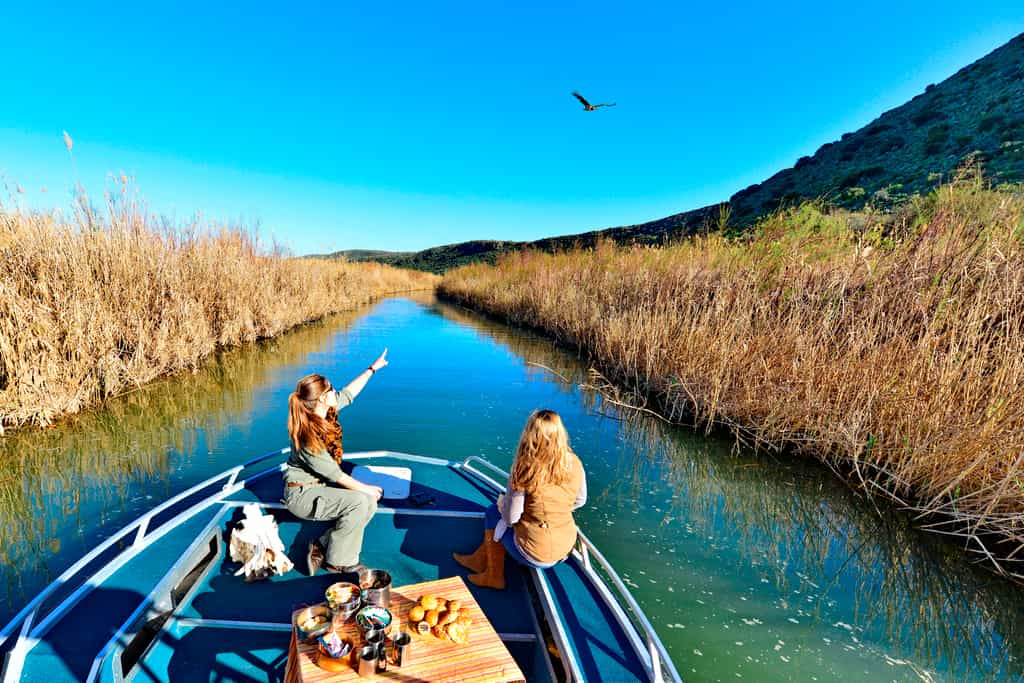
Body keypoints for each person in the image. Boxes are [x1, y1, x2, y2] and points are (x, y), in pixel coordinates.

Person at [453, 409, 587, 589]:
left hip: (536, 554)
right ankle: (478, 560)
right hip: (566, 546)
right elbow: (580, 500)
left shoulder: (525, 469)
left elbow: (511, 518)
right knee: (502, 514)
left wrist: (504, 506)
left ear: (530, 435)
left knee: (494, 513)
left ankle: (494, 577)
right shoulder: (574, 462)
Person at [284, 349, 389, 576]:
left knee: (368, 502)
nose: (335, 392)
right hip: (302, 495)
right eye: (331, 389)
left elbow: (348, 394)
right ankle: (339, 562)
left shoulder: (323, 411)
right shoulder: (307, 437)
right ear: (322, 398)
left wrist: (372, 369)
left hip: (318, 488)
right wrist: (368, 488)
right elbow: (336, 475)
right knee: (360, 502)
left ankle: (322, 543)